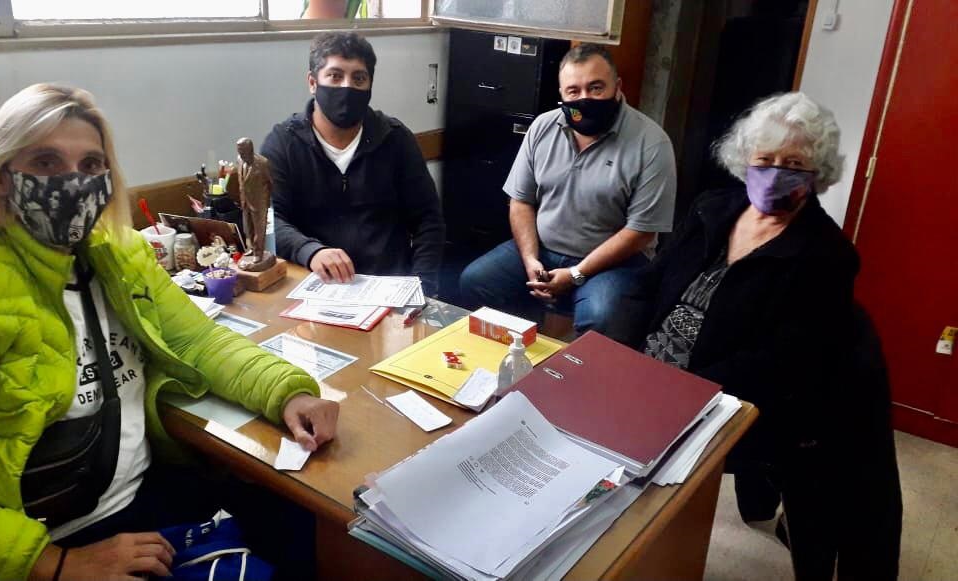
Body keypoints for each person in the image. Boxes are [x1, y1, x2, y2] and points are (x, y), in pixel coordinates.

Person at [0, 84, 340, 581]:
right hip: (39, 541)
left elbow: (198, 339)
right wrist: (55, 565)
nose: (73, 182)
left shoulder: (119, 253)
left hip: (141, 494)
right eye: (45, 162)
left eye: (90, 165)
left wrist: (287, 391)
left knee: (308, 527)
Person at [610, 92, 901, 580]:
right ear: (745, 160)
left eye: (794, 164)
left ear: (817, 174)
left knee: (627, 468)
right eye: (765, 160)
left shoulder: (826, 256)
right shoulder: (711, 208)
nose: (775, 173)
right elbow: (647, 286)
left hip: (726, 397)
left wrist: (675, 392)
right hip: (652, 372)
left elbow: (778, 362)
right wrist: (618, 353)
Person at [459, 43, 676, 337]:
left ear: (618, 86)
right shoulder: (543, 127)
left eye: (596, 87)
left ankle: (576, 359)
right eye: (574, 91)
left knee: (602, 317)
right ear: (562, 94)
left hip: (613, 263)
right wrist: (530, 259)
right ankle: (527, 349)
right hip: (543, 249)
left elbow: (641, 232)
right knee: (475, 281)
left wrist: (577, 273)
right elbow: (520, 201)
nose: (585, 98)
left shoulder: (652, 143)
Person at [260, 31, 445, 295]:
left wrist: (422, 287)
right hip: (313, 284)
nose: (347, 87)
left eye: (358, 79)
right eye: (335, 76)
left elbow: (428, 221)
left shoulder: (395, 139)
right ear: (313, 82)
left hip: (388, 285)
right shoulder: (283, 143)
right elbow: (269, 220)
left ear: (370, 85)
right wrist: (310, 251)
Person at [235, 137, 274, 269]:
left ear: (250, 149)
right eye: (239, 151)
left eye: (243, 151)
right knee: (248, 228)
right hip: (245, 201)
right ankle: (252, 248)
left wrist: (266, 200)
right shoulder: (239, 160)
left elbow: (271, 183)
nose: (241, 154)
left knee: (259, 230)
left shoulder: (262, 163)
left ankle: (259, 253)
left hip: (259, 203)